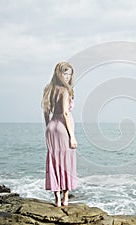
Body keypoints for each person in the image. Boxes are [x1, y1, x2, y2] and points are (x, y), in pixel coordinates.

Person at [41, 61, 77, 207]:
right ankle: (65, 197)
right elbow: (66, 113)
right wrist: (72, 136)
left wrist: (48, 126)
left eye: (69, 74)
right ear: (59, 74)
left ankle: (56, 198)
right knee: (66, 162)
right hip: (63, 127)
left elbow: (45, 111)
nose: (67, 77)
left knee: (53, 160)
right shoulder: (65, 91)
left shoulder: (48, 89)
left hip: (51, 126)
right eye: (65, 74)